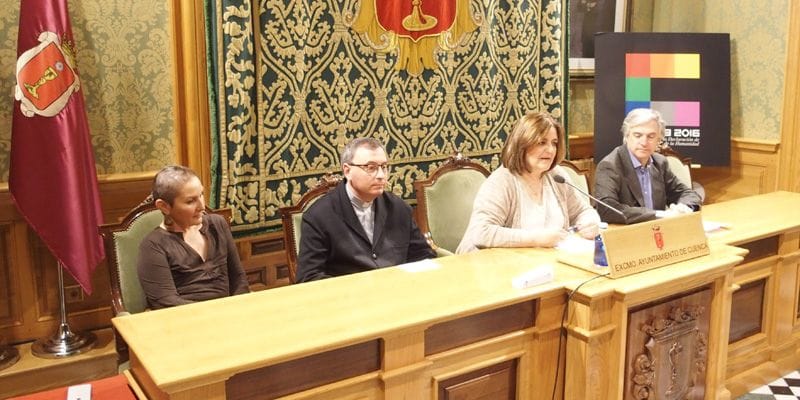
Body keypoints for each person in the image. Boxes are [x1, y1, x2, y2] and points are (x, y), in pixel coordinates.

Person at [456, 112, 600, 254]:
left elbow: (582, 211)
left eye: (554, 143)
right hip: (494, 267)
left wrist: (590, 221)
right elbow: (481, 232)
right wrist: (537, 239)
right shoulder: (502, 181)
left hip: (544, 262)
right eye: (541, 142)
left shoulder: (556, 175)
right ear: (522, 144)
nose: (550, 150)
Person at [296, 138, 435, 282]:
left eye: (384, 167)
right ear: (347, 171)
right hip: (350, 299)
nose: (381, 175)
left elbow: (423, 255)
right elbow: (309, 277)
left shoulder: (398, 208)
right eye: (371, 167)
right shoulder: (319, 216)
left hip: (398, 293)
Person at [137, 166, 249, 309]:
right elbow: (166, 302)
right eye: (190, 201)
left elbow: (239, 279)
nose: (202, 206)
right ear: (164, 206)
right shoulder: (153, 245)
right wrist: (214, 314)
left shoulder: (218, 224)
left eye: (201, 194)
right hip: (185, 322)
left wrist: (238, 310)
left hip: (228, 315)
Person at [593, 108, 703, 224]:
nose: (644, 142)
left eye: (651, 136)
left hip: (658, 232)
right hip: (626, 233)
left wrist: (684, 209)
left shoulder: (660, 163)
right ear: (627, 136)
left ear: (659, 140)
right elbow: (607, 209)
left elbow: (687, 193)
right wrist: (659, 215)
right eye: (638, 135)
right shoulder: (610, 166)